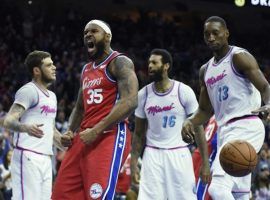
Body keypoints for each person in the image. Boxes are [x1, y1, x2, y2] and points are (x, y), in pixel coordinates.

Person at [181, 16, 270, 200]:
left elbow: (265, 87)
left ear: (226, 33)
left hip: (246, 125)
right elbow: (205, 111)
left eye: (215, 33)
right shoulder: (205, 70)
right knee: (239, 194)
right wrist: (189, 122)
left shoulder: (239, 57)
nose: (211, 37)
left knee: (218, 189)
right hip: (225, 131)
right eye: (207, 34)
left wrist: (268, 104)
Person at [52, 19, 138, 200]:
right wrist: (69, 130)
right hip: (84, 135)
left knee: (97, 195)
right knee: (61, 193)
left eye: (93, 31)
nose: (88, 35)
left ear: (107, 37)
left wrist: (97, 129)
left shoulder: (119, 62)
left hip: (108, 134)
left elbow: (130, 101)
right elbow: (79, 107)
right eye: (85, 33)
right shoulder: (86, 69)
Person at [130, 48, 210, 199]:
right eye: (149, 63)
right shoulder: (143, 95)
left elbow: (199, 129)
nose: (150, 66)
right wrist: (134, 163)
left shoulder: (183, 91)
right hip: (152, 155)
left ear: (166, 66)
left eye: (154, 62)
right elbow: (139, 134)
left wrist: (205, 163)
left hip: (178, 153)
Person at [3, 50, 64, 199]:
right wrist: (25, 128)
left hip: (46, 158)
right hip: (27, 155)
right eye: (49, 65)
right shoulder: (29, 90)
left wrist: (69, 145)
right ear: (36, 70)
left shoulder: (53, 97)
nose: (54, 67)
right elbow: (8, 120)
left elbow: (52, 131)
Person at [192, 115, 217, 200]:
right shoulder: (228, 115)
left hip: (199, 155)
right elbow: (215, 143)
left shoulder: (217, 114)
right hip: (206, 158)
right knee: (200, 196)